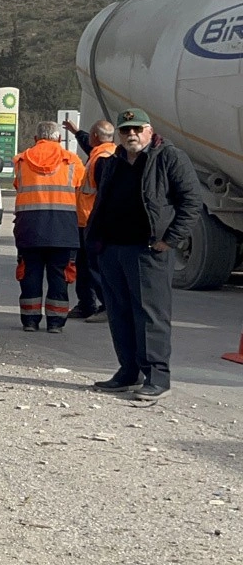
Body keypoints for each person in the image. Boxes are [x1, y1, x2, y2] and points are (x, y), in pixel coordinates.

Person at [88, 108, 201, 401]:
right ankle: (128, 372)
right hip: (112, 249)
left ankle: (157, 378)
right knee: (119, 313)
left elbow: (191, 202)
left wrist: (170, 240)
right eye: (126, 130)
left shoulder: (169, 158)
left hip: (148, 250)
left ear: (149, 131)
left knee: (150, 316)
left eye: (137, 129)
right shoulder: (114, 161)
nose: (132, 135)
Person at [13, 121, 85, 333]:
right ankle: (55, 323)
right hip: (63, 229)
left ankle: (30, 321)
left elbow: (18, 186)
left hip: (29, 228)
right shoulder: (72, 161)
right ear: (60, 139)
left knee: (30, 274)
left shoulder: (21, 161)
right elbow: (81, 185)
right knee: (59, 276)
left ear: (36, 139)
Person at [69, 120, 118, 323]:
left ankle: (107, 307)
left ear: (96, 136)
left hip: (94, 222)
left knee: (95, 267)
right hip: (86, 221)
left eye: (90, 134)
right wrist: (77, 132)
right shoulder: (103, 152)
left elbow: (105, 194)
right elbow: (88, 144)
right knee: (83, 265)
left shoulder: (103, 159)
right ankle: (86, 305)